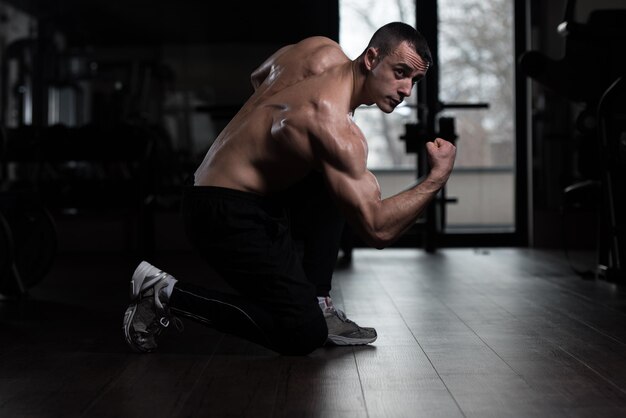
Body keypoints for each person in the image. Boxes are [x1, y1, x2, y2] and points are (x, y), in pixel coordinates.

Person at [122, 22, 456, 355]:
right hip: (223, 213)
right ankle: (163, 293)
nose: (406, 90)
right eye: (400, 72)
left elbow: (259, 77)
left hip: (208, 187)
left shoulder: (319, 50)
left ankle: (319, 301)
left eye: (414, 80)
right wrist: (436, 177)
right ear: (371, 58)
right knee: (302, 333)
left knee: (325, 176)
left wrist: (269, 144)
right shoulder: (334, 128)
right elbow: (378, 230)